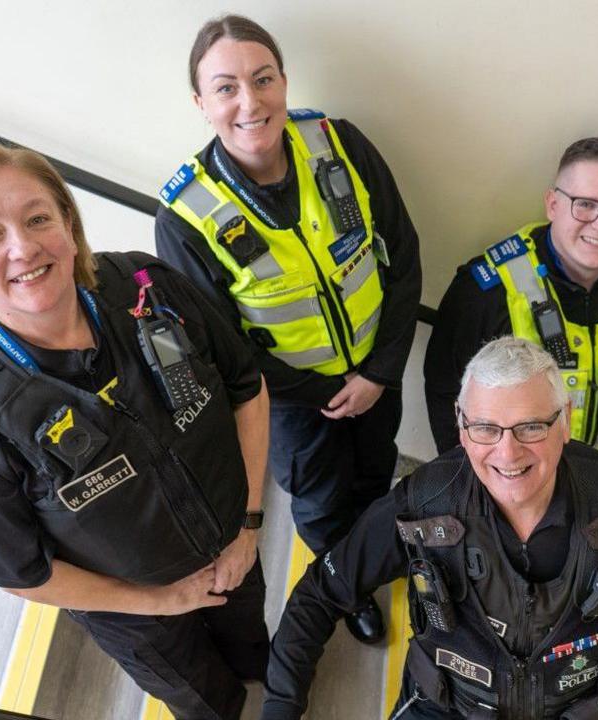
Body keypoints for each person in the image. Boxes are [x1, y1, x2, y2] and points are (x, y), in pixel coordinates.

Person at [0, 145, 270, 720]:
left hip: (236, 542)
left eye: (38, 218)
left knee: (255, 651)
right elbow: (23, 573)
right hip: (140, 615)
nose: (23, 248)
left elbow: (245, 387)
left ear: (68, 221)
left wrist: (250, 527)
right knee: (211, 703)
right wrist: (160, 601)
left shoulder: (146, 285)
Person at [154, 13, 422, 644]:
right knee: (324, 504)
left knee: (375, 474)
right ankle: (344, 584)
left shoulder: (339, 141)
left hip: (376, 375)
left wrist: (380, 371)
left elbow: (402, 254)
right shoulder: (186, 216)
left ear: (283, 81)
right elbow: (220, 349)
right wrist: (323, 393)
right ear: (201, 103)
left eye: (263, 78)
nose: (250, 102)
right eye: (225, 88)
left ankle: (377, 550)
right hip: (294, 407)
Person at [263, 337, 598, 720]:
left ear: (565, 421)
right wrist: (281, 709)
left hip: (574, 707)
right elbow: (319, 595)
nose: (508, 453)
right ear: (461, 424)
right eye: (486, 428)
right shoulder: (424, 503)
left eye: (531, 427)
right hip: (447, 705)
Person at [424, 137, 598, 456]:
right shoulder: (486, 288)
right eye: (585, 204)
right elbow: (446, 392)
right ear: (553, 205)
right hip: (517, 466)